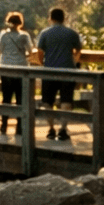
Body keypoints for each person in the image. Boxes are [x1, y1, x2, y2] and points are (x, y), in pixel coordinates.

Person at [36, 7, 83, 141]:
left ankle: (51, 129)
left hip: (49, 70)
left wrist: (43, 63)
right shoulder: (72, 33)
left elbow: (39, 52)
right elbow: (78, 51)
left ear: (50, 18)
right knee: (66, 99)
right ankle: (63, 129)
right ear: (64, 18)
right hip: (68, 70)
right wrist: (74, 61)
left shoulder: (45, 33)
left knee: (47, 101)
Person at [0, 11, 35, 135]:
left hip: (6, 69)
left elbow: (0, 50)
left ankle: (4, 125)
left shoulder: (4, 35)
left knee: (6, 98)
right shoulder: (24, 36)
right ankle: (19, 127)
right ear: (20, 23)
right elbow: (30, 50)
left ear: (9, 22)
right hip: (21, 70)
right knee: (20, 99)